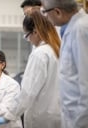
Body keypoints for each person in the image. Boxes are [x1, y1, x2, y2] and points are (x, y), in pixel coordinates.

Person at [0, 8, 61, 128]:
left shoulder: (40, 54)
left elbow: (27, 93)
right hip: (57, 116)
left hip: (41, 119)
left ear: (35, 31)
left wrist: (7, 116)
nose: (28, 40)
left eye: (27, 35)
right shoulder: (56, 50)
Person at [40, 0, 88, 128]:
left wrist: (80, 123)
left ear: (57, 12)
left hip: (81, 119)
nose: (44, 16)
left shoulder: (81, 29)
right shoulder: (71, 29)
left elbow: (86, 81)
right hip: (72, 116)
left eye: (44, 12)